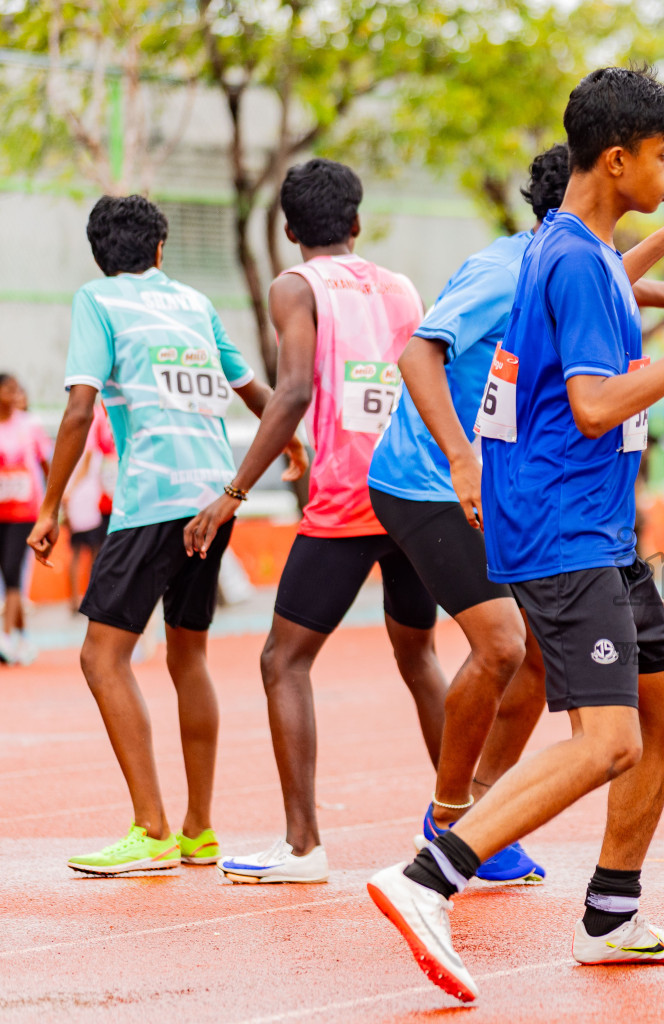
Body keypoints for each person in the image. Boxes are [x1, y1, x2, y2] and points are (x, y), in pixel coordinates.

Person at [365, 66, 664, 1003]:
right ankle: (430, 875)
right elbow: (592, 405)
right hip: (563, 525)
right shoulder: (579, 259)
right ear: (617, 157)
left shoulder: (568, 245)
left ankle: (613, 916)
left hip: (586, 522)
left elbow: (582, 319)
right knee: (608, 741)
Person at [367, 142, 664, 887]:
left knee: (630, 693)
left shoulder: (575, 259)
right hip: (443, 483)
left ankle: (538, 852)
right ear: (609, 170)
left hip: (553, 504)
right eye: (663, 158)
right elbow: (417, 355)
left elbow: (610, 285)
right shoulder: (513, 266)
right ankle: (449, 826)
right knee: (510, 652)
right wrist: (461, 459)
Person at [28, 195, 306, 875]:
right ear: (159, 251)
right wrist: (290, 440)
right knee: (189, 658)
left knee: (101, 658)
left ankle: (151, 829)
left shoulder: (97, 301)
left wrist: (50, 505)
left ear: (102, 256)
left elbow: (78, 410)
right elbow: (251, 390)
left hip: (153, 497)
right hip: (216, 499)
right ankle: (198, 830)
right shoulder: (193, 303)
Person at [184, 159, 445, 884]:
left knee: (283, 661)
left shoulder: (295, 286)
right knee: (419, 655)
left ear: (290, 229)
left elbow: (294, 388)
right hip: (412, 492)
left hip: (347, 497)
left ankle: (302, 847)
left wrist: (233, 491)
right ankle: (474, 833)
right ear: (357, 224)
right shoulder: (400, 286)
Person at [0, 373, 50, 665]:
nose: (16, 393)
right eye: (9, 388)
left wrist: (52, 508)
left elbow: (46, 465)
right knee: (6, 575)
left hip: (24, 512)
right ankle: (22, 637)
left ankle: (7, 636)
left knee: (12, 570)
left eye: (18, 388)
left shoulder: (30, 425)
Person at [65, 403, 116, 612]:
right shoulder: (90, 415)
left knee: (90, 551)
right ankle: (89, 598)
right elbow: (87, 457)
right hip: (87, 499)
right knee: (90, 552)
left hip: (92, 497)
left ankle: (88, 597)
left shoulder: (95, 413)